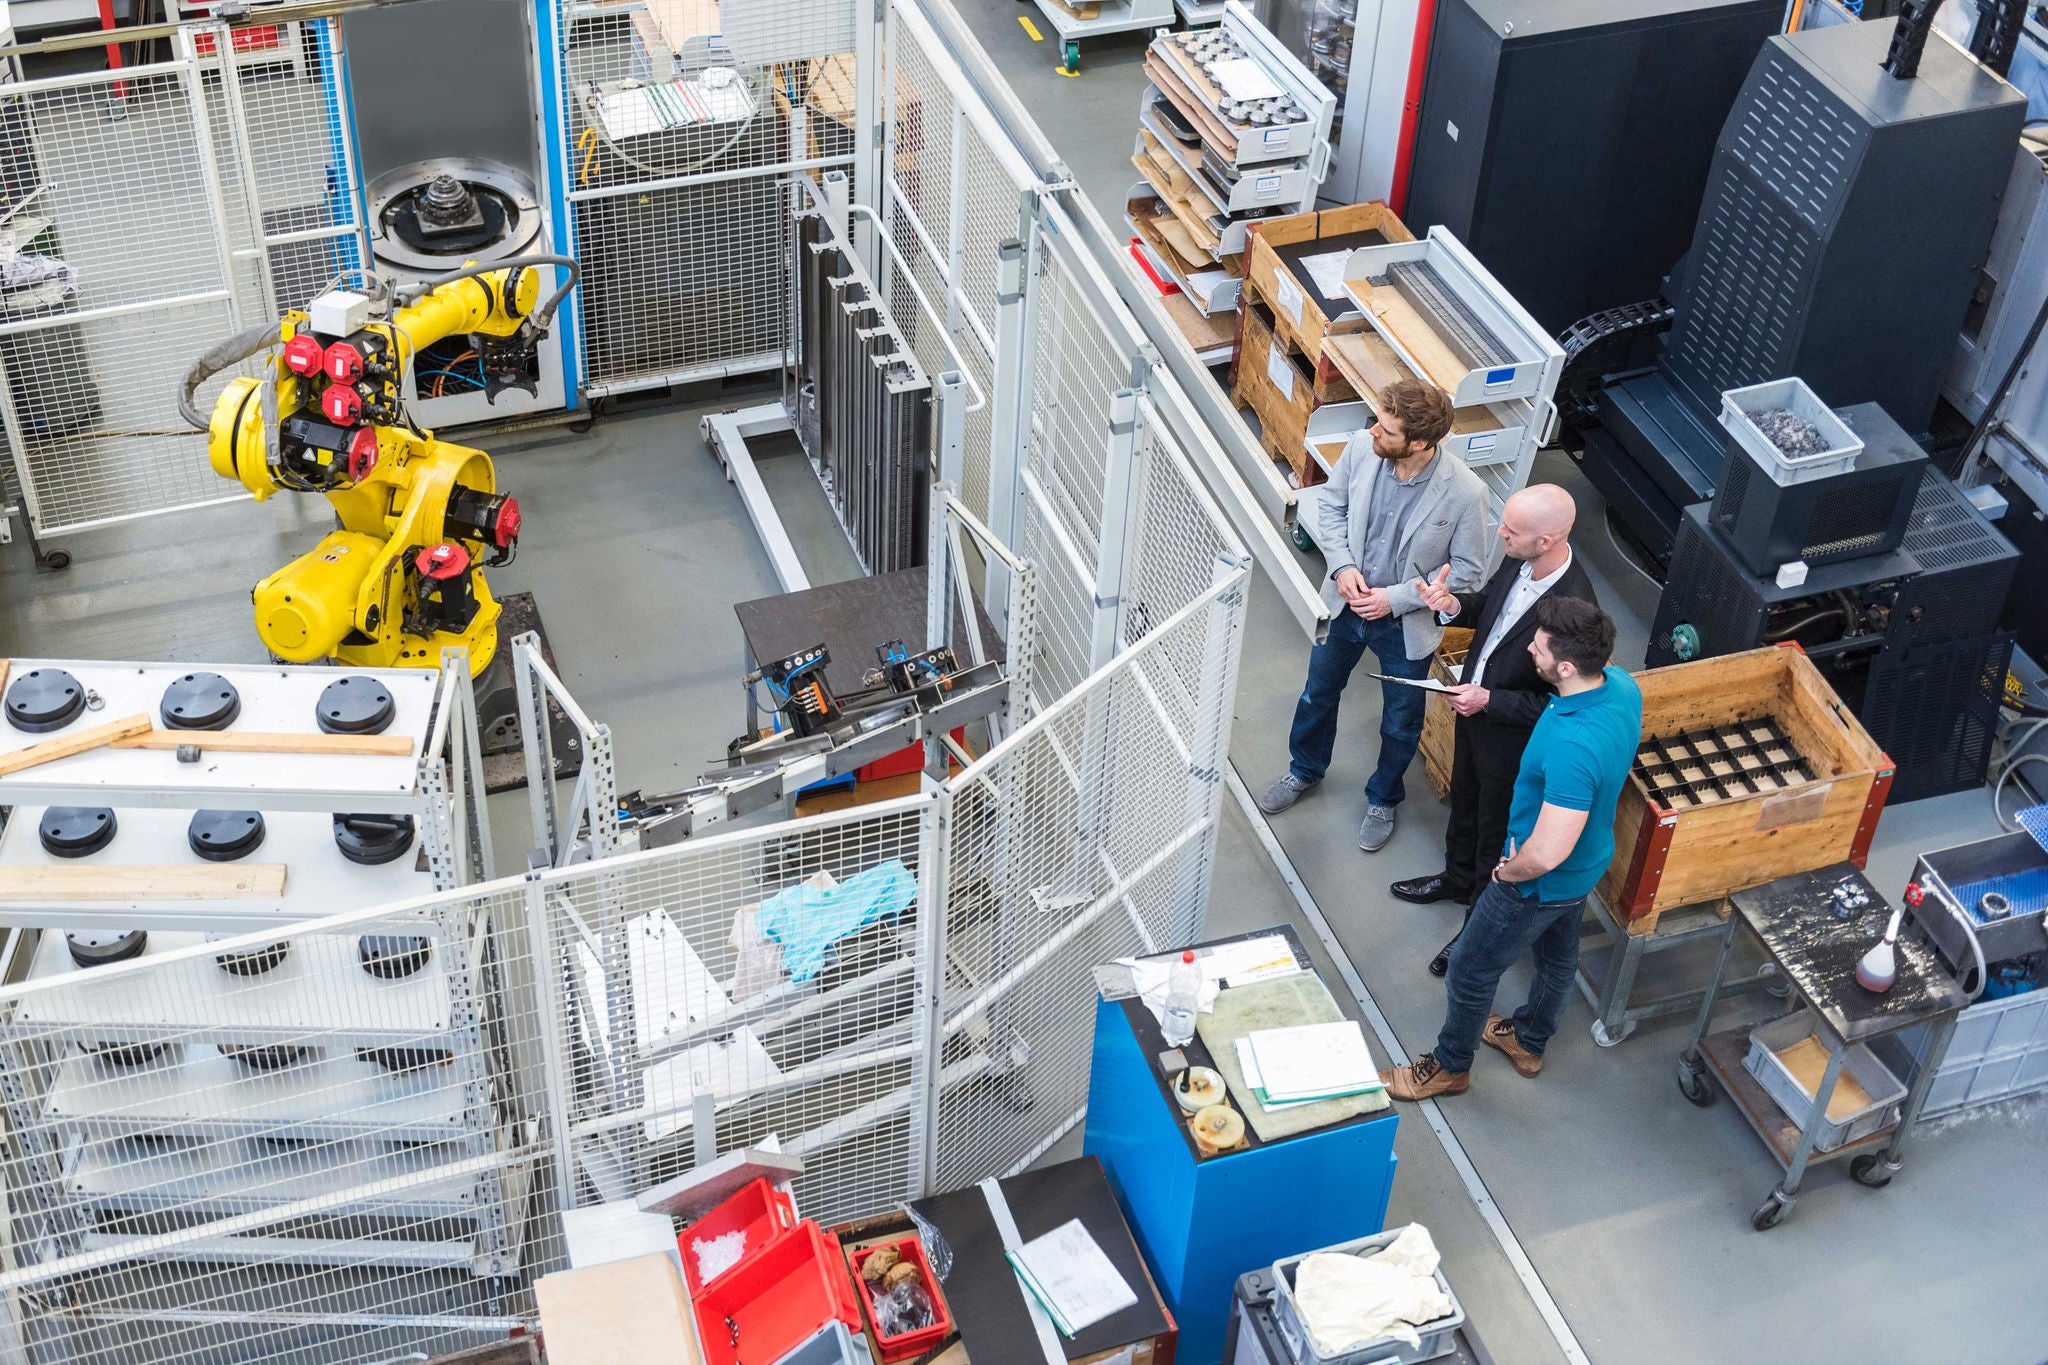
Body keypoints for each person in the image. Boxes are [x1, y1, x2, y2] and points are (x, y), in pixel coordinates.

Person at [1379, 596, 1641, 1100]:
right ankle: (1528, 1038)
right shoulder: (1621, 687)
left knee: (1471, 968)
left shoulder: (1573, 745)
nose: (1529, 650)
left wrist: (1506, 875)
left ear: (1565, 666)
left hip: (1537, 880)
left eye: (1538, 648)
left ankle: (1450, 1066)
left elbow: (1545, 854)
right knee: (1558, 955)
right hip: (1586, 864)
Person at [1257, 379, 1489, 854]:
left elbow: (1469, 572)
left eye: (1386, 429)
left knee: (1400, 722)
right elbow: (1331, 506)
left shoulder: (1465, 492)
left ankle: (1383, 798)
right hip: (1344, 608)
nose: (1372, 432)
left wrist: (1396, 599)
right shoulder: (1365, 449)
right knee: (1318, 693)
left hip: (1403, 627)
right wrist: (1341, 566)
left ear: (1420, 442)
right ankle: (1304, 768)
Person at [1388, 484, 1598, 977]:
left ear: (1546, 541)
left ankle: (1474, 927)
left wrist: (1491, 700)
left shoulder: (1577, 614)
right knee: (1464, 803)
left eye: (1512, 529)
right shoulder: (1520, 559)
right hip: (1473, 713)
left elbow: (1561, 702)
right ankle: (1457, 880)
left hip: (1513, 740)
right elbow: (1490, 608)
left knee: (1494, 832)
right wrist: (1453, 605)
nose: (1499, 532)